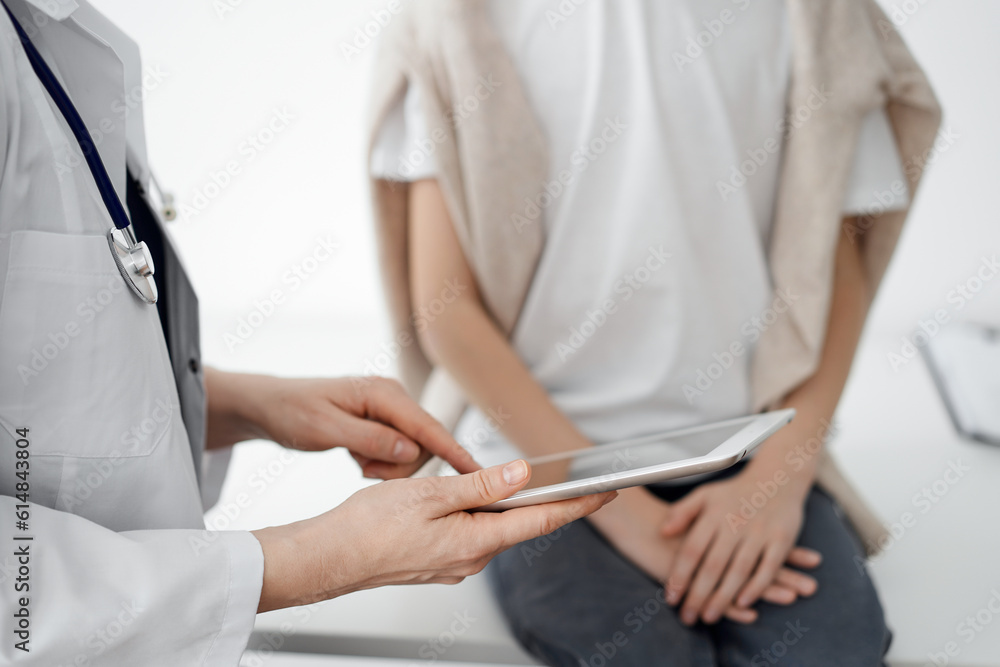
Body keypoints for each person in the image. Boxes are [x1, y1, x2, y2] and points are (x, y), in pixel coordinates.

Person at [0, 1, 614, 664]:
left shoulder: (56, 37)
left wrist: (246, 404)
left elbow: (45, 398)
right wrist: (320, 556)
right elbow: (22, 598)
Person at [368, 0, 942, 664]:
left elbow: (837, 275)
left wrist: (776, 483)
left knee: (833, 652)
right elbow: (447, 312)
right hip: (541, 470)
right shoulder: (453, 23)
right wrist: (629, 517)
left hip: (747, 452)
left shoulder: (821, 19)